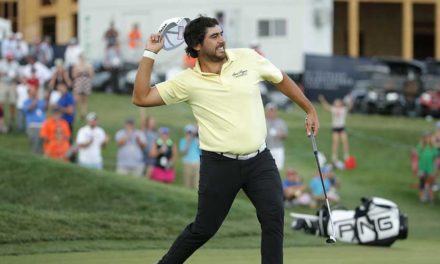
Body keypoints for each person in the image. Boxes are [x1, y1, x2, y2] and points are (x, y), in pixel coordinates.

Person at [132, 16, 319, 264]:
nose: (222, 40)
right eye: (214, 36)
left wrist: (309, 109)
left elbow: (280, 78)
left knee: (273, 217)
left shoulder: (248, 57)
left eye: (221, 34)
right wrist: (149, 53)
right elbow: (142, 97)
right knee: (204, 228)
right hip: (219, 165)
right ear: (197, 45)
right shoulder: (187, 82)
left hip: (259, 160)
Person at [318, 94, 352, 164]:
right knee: (335, 143)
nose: (336, 103)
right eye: (335, 102)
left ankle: (346, 155)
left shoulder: (343, 109)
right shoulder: (333, 109)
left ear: (340, 103)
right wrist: (322, 100)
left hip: (342, 128)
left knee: (345, 141)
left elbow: (350, 107)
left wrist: (350, 100)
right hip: (335, 128)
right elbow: (326, 107)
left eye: (338, 102)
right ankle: (334, 156)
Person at [23, 84, 46, 153]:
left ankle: (40, 156)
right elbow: (28, 109)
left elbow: (45, 107)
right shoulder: (26, 102)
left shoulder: (41, 101)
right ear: (29, 93)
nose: (35, 92)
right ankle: (35, 155)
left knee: (42, 142)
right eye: (32, 91)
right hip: (32, 125)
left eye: (35, 91)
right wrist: (35, 101)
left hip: (42, 125)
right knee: (35, 141)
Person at [415, 132, 438, 204]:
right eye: (426, 137)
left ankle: (431, 199)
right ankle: (421, 199)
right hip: (422, 167)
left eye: (429, 137)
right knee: (422, 183)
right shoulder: (420, 146)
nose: (428, 139)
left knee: (430, 184)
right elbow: (418, 155)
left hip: (430, 168)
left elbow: (435, 156)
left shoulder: (433, 147)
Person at [0, 51, 20, 130]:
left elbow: (19, 75)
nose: (10, 59)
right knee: (0, 102)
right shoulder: (1, 63)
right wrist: (4, 73)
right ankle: (1, 121)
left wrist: (15, 76)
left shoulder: (16, 64)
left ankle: (12, 120)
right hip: (3, 82)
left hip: (12, 83)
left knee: (13, 102)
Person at [265, 102, 288, 170]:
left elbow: (285, 136)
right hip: (267, 148)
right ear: (266, 111)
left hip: (278, 148)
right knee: (268, 168)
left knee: (279, 169)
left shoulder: (281, 122)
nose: (271, 113)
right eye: (270, 111)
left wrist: (281, 134)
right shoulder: (263, 122)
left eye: (273, 111)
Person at [72, 54, 94, 120]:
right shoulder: (76, 66)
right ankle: (75, 113)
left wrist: (87, 71)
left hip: (86, 83)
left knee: (84, 100)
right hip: (78, 82)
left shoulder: (88, 66)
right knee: (76, 99)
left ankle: (83, 113)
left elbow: (91, 75)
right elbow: (74, 75)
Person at [179, 124, 201, 189]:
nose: (189, 134)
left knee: (197, 182)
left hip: (196, 163)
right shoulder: (183, 140)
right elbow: (184, 152)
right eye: (188, 132)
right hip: (187, 162)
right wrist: (188, 141)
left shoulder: (196, 141)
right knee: (187, 182)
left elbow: (201, 149)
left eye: (191, 132)